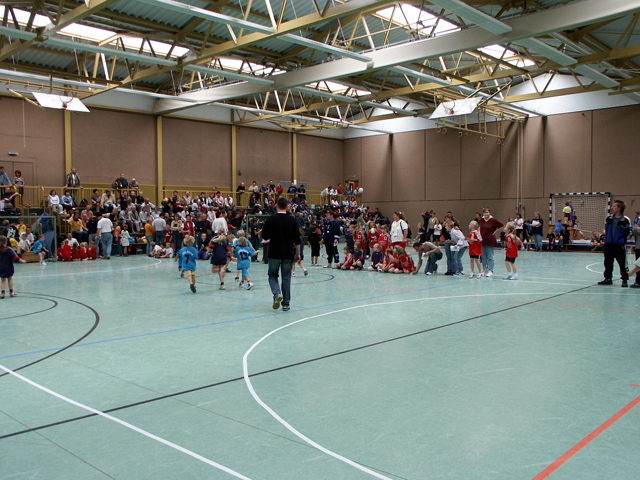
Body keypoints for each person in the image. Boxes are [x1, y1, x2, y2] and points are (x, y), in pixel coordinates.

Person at [261, 196, 301, 311]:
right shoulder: (292, 220)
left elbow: (265, 236)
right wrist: (297, 254)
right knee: (286, 278)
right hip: (288, 253)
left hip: (274, 253)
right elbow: (297, 240)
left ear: (276, 205)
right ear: (287, 206)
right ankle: (286, 304)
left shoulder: (271, 219)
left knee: (272, 275)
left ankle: (277, 293)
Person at [598, 199, 632, 287]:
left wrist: (622, 240)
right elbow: (606, 230)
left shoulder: (625, 220)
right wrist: (605, 238)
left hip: (619, 245)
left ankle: (624, 279)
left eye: (614, 206)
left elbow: (629, 233)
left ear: (619, 208)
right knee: (608, 262)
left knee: (622, 263)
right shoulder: (609, 218)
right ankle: (608, 278)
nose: (612, 207)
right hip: (608, 244)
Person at [478, 207, 504, 277]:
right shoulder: (481, 221)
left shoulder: (493, 220)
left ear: (489, 213)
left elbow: (502, 225)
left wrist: (495, 231)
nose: (486, 214)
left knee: (490, 256)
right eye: (484, 212)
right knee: (483, 257)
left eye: (487, 212)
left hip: (490, 240)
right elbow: (478, 228)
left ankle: (491, 270)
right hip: (482, 240)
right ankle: (484, 269)